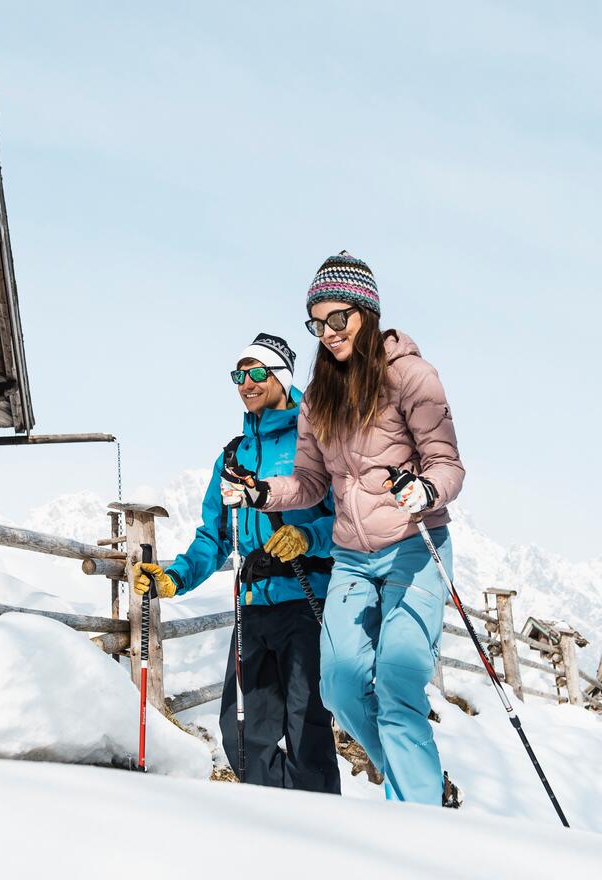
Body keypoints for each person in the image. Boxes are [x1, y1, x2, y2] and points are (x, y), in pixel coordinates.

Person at [222, 253, 465, 806]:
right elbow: (310, 483)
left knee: (397, 683)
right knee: (339, 686)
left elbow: (447, 463)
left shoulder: (412, 377)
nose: (329, 332)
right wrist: (261, 492)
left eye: (339, 318)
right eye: (318, 323)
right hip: (353, 559)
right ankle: (421, 779)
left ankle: (421, 816)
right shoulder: (319, 396)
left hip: (414, 549)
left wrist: (426, 489)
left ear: (367, 312)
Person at [133, 333, 341, 794]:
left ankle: (320, 824)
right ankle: (276, 817)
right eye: (239, 375)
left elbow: (346, 518)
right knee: (242, 733)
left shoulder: (316, 439)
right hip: (253, 606)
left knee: (307, 729)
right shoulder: (232, 456)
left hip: (307, 601)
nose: (246, 383)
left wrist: (307, 537)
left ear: (281, 376)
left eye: (256, 373)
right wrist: (174, 578)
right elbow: (215, 537)